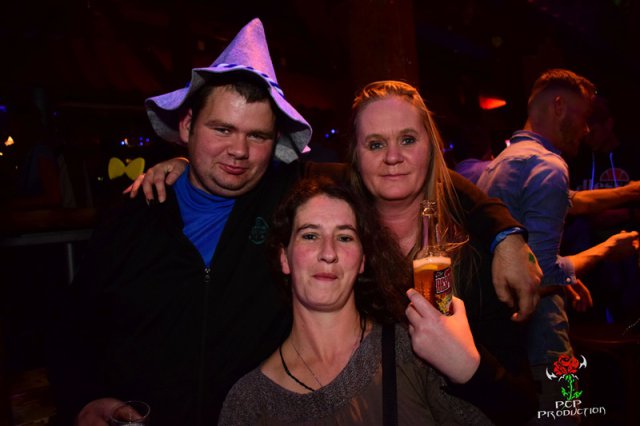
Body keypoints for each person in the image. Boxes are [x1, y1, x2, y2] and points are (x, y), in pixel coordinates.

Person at [135, 80, 542, 424]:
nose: (393, 157)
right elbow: (240, 169)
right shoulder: (336, 244)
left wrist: (503, 233)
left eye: (408, 140)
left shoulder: (475, 260)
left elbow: (525, 406)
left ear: (430, 148)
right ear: (355, 157)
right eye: (375, 144)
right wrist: (184, 166)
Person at [47, 18, 313, 426]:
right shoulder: (131, 216)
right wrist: (84, 400)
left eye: (257, 136)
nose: (239, 150)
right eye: (222, 129)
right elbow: (73, 326)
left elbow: (371, 181)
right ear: (187, 126)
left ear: (274, 141)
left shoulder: (287, 205)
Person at [218, 177, 493, 425]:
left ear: (362, 260)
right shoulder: (250, 402)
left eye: (345, 237)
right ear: (284, 258)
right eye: (310, 235)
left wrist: (471, 371)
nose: (328, 253)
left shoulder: (412, 353)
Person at [476, 68, 640, 423]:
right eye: (584, 116)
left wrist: (629, 192)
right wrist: (608, 249)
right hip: (544, 338)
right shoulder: (549, 166)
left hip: (503, 333)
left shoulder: (501, 164)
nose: (586, 129)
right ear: (559, 106)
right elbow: (543, 274)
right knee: (567, 413)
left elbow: (532, 242)